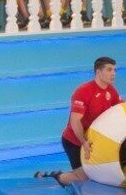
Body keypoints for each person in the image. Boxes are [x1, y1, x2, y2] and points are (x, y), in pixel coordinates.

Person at [39, 56, 120, 186]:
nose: (113, 74)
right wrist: (83, 142)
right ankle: (54, 177)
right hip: (74, 141)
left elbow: (121, 109)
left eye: (115, 70)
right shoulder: (83, 91)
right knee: (83, 178)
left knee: (97, 174)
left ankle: (74, 172)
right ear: (98, 72)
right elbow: (75, 121)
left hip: (92, 141)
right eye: (109, 70)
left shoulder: (111, 91)